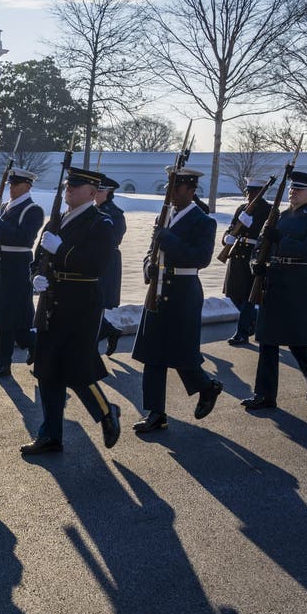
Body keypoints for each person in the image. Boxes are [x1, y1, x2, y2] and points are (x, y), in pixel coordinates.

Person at [21, 167, 121, 455]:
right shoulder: (56, 221)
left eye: (76, 187)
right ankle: (50, 434)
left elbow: (96, 264)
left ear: (92, 193)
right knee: (47, 370)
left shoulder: (100, 224)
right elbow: (38, 258)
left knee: (76, 368)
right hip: (51, 300)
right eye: (68, 185)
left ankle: (106, 412)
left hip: (81, 303)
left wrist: (62, 249)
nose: (69, 190)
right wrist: (35, 277)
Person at [130, 168, 223, 433]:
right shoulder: (166, 215)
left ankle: (207, 387)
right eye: (169, 187)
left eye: (176, 188)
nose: (169, 193)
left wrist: (168, 238)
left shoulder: (203, 221)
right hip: (158, 288)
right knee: (153, 354)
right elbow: (152, 251)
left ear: (191, 190)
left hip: (183, 290)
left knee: (182, 352)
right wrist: (148, 265)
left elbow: (201, 258)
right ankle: (155, 412)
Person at [242, 171, 307, 410]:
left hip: (298, 282)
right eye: (292, 189)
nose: (293, 192)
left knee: (297, 339)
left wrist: (281, 240)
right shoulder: (279, 216)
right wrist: (256, 264)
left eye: (299, 189)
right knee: (267, 339)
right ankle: (265, 394)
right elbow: (261, 244)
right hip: (274, 279)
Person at [0, 168, 42, 379]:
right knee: (7, 317)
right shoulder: (5, 207)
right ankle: (35, 345)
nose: (11, 188)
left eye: (15, 184)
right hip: (1, 265)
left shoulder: (33, 210)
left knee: (8, 319)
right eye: (10, 184)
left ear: (26, 186)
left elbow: (24, 238)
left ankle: (2, 364)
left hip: (17, 266)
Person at [222, 177, 271, 346]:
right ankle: (256, 321)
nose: (249, 195)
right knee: (233, 294)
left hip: (253, 256)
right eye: (247, 191)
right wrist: (227, 237)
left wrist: (252, 227)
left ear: (260, 192)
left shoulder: (268, 210)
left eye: (252, 192)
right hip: (236, 253)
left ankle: (242, 333)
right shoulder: (241, 208)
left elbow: (268, 236)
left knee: (248, 297)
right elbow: (231, 227)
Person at [94, 176, 126, 355]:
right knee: (89, 305)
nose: (96, 194)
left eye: (100, 190)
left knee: (96, 305)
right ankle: (110, 331)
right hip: (92, 262)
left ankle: (93, 349)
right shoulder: (92, 210)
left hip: (106, 264)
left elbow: (112, 240)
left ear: (109, 192)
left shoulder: (115, 214)